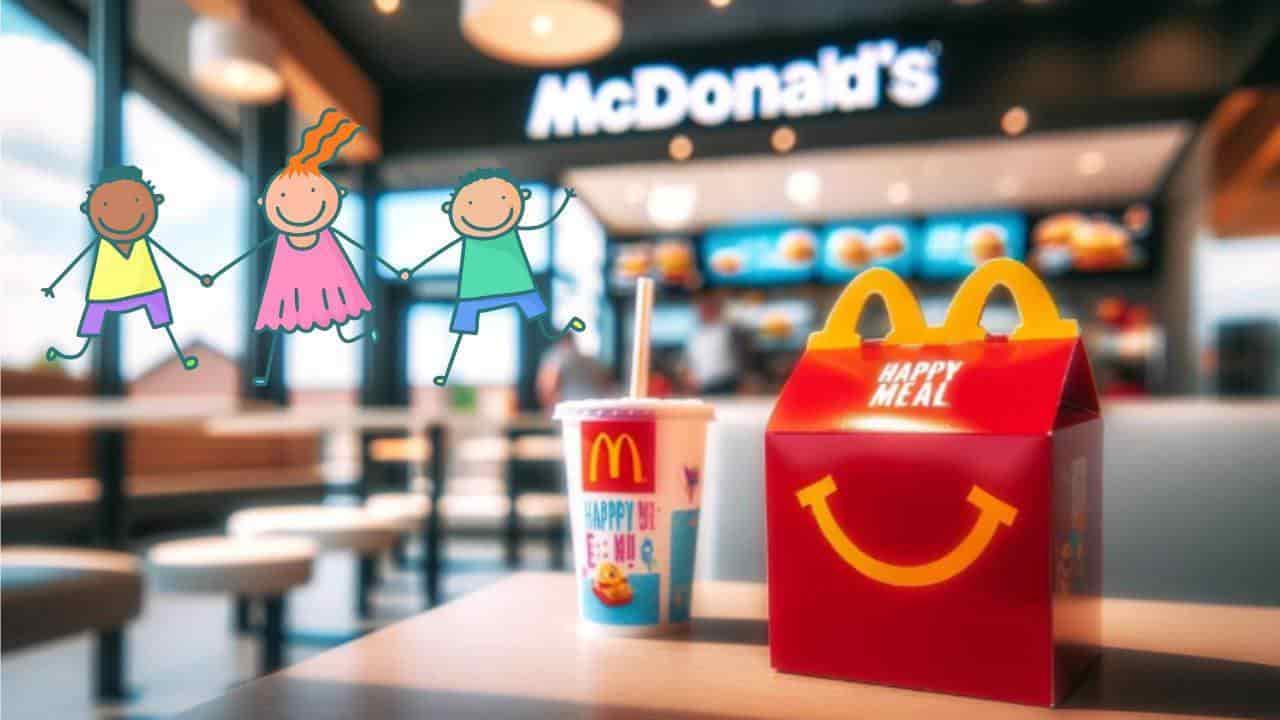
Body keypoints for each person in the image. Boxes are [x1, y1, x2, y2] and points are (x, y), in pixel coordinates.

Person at [204, 109, 406, 386]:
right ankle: (264, 371)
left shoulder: (324, 237)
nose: (298, 206)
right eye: (284, 196)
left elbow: (355, 246)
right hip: (290, 269)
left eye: (310, 193)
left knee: (335, 303)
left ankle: (346, 334)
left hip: (322, 264)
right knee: (278, 317)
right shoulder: (284, 240)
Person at [406, 168, 585, 386]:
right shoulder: (580, 359)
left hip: (502, 283)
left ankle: (448, 369)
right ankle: (449, 368)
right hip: (486, 284)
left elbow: (547, 384)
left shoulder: (560, 358)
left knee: (479, 315)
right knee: (472, 317)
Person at [41, 165, 202, 369]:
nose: (122, 215)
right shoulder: (105, 244)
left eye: (135, 202)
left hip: (145, 288)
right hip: (107, 293)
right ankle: (81, 351)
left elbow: (171, 257)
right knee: (94, 319)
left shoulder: (140, 242)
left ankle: (178, 352)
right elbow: (76, 261)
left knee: (160, 315)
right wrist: (53, 285)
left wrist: (198, 276)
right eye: (106, 205)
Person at [683, 293, 745, 396]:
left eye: (709, 308)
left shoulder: (728, 329)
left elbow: (742, 356)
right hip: (704, 386)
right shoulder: (696, 334)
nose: (705, 311)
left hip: (727, 383)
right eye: (702, 308)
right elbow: (691, 362)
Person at [536, 333, 613, 407]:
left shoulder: (556, 358)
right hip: (593, 405)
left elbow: (548, 387)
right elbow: (606, 382)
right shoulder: (589, 359)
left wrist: (552, 409)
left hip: (570, 408)